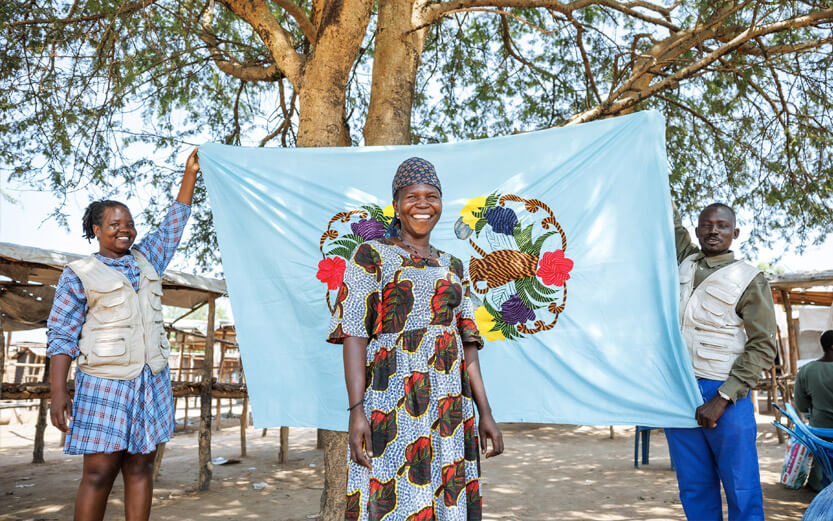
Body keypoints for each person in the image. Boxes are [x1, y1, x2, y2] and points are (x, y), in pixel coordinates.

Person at [327, 157, 503, 521]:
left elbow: (467, 342)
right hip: (392, 397)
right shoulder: (370, 254)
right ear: (396, 204)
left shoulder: (453, 265)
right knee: (393, 488)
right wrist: (356, 410)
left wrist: (485, 412)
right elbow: (355, 335)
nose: (423, 204)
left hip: (449, 404)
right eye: (412, 196)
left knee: (445, 490)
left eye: (432, 196)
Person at [47, 149, 199, 521]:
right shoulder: (79, 272)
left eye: (129, 223)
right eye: (114, 224)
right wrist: (58, 392)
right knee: (98, 473)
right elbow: (62, 335)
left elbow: (174, 224)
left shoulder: (148, 259)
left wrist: (190, 175)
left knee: (141, 468)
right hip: (105, 384)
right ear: (96, 230)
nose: (124, 229)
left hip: (151, 381)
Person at [665, 202, 777, 521]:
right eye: (707, 225)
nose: (714, 230)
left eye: (722, 226)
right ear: (698, 230)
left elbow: (763, 345)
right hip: (680, 391)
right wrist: (651, 156)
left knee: (741, 486)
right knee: (694, 485)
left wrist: (723, 397)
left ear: (735, 232)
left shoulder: (749, 278)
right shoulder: (685, 259)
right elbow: (668, 217)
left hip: (725, 393)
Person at [794, 330, 833, 491]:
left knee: (820, 452)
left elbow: (801, 405)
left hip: (820, 429)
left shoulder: (806, 370)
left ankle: (818, 483)